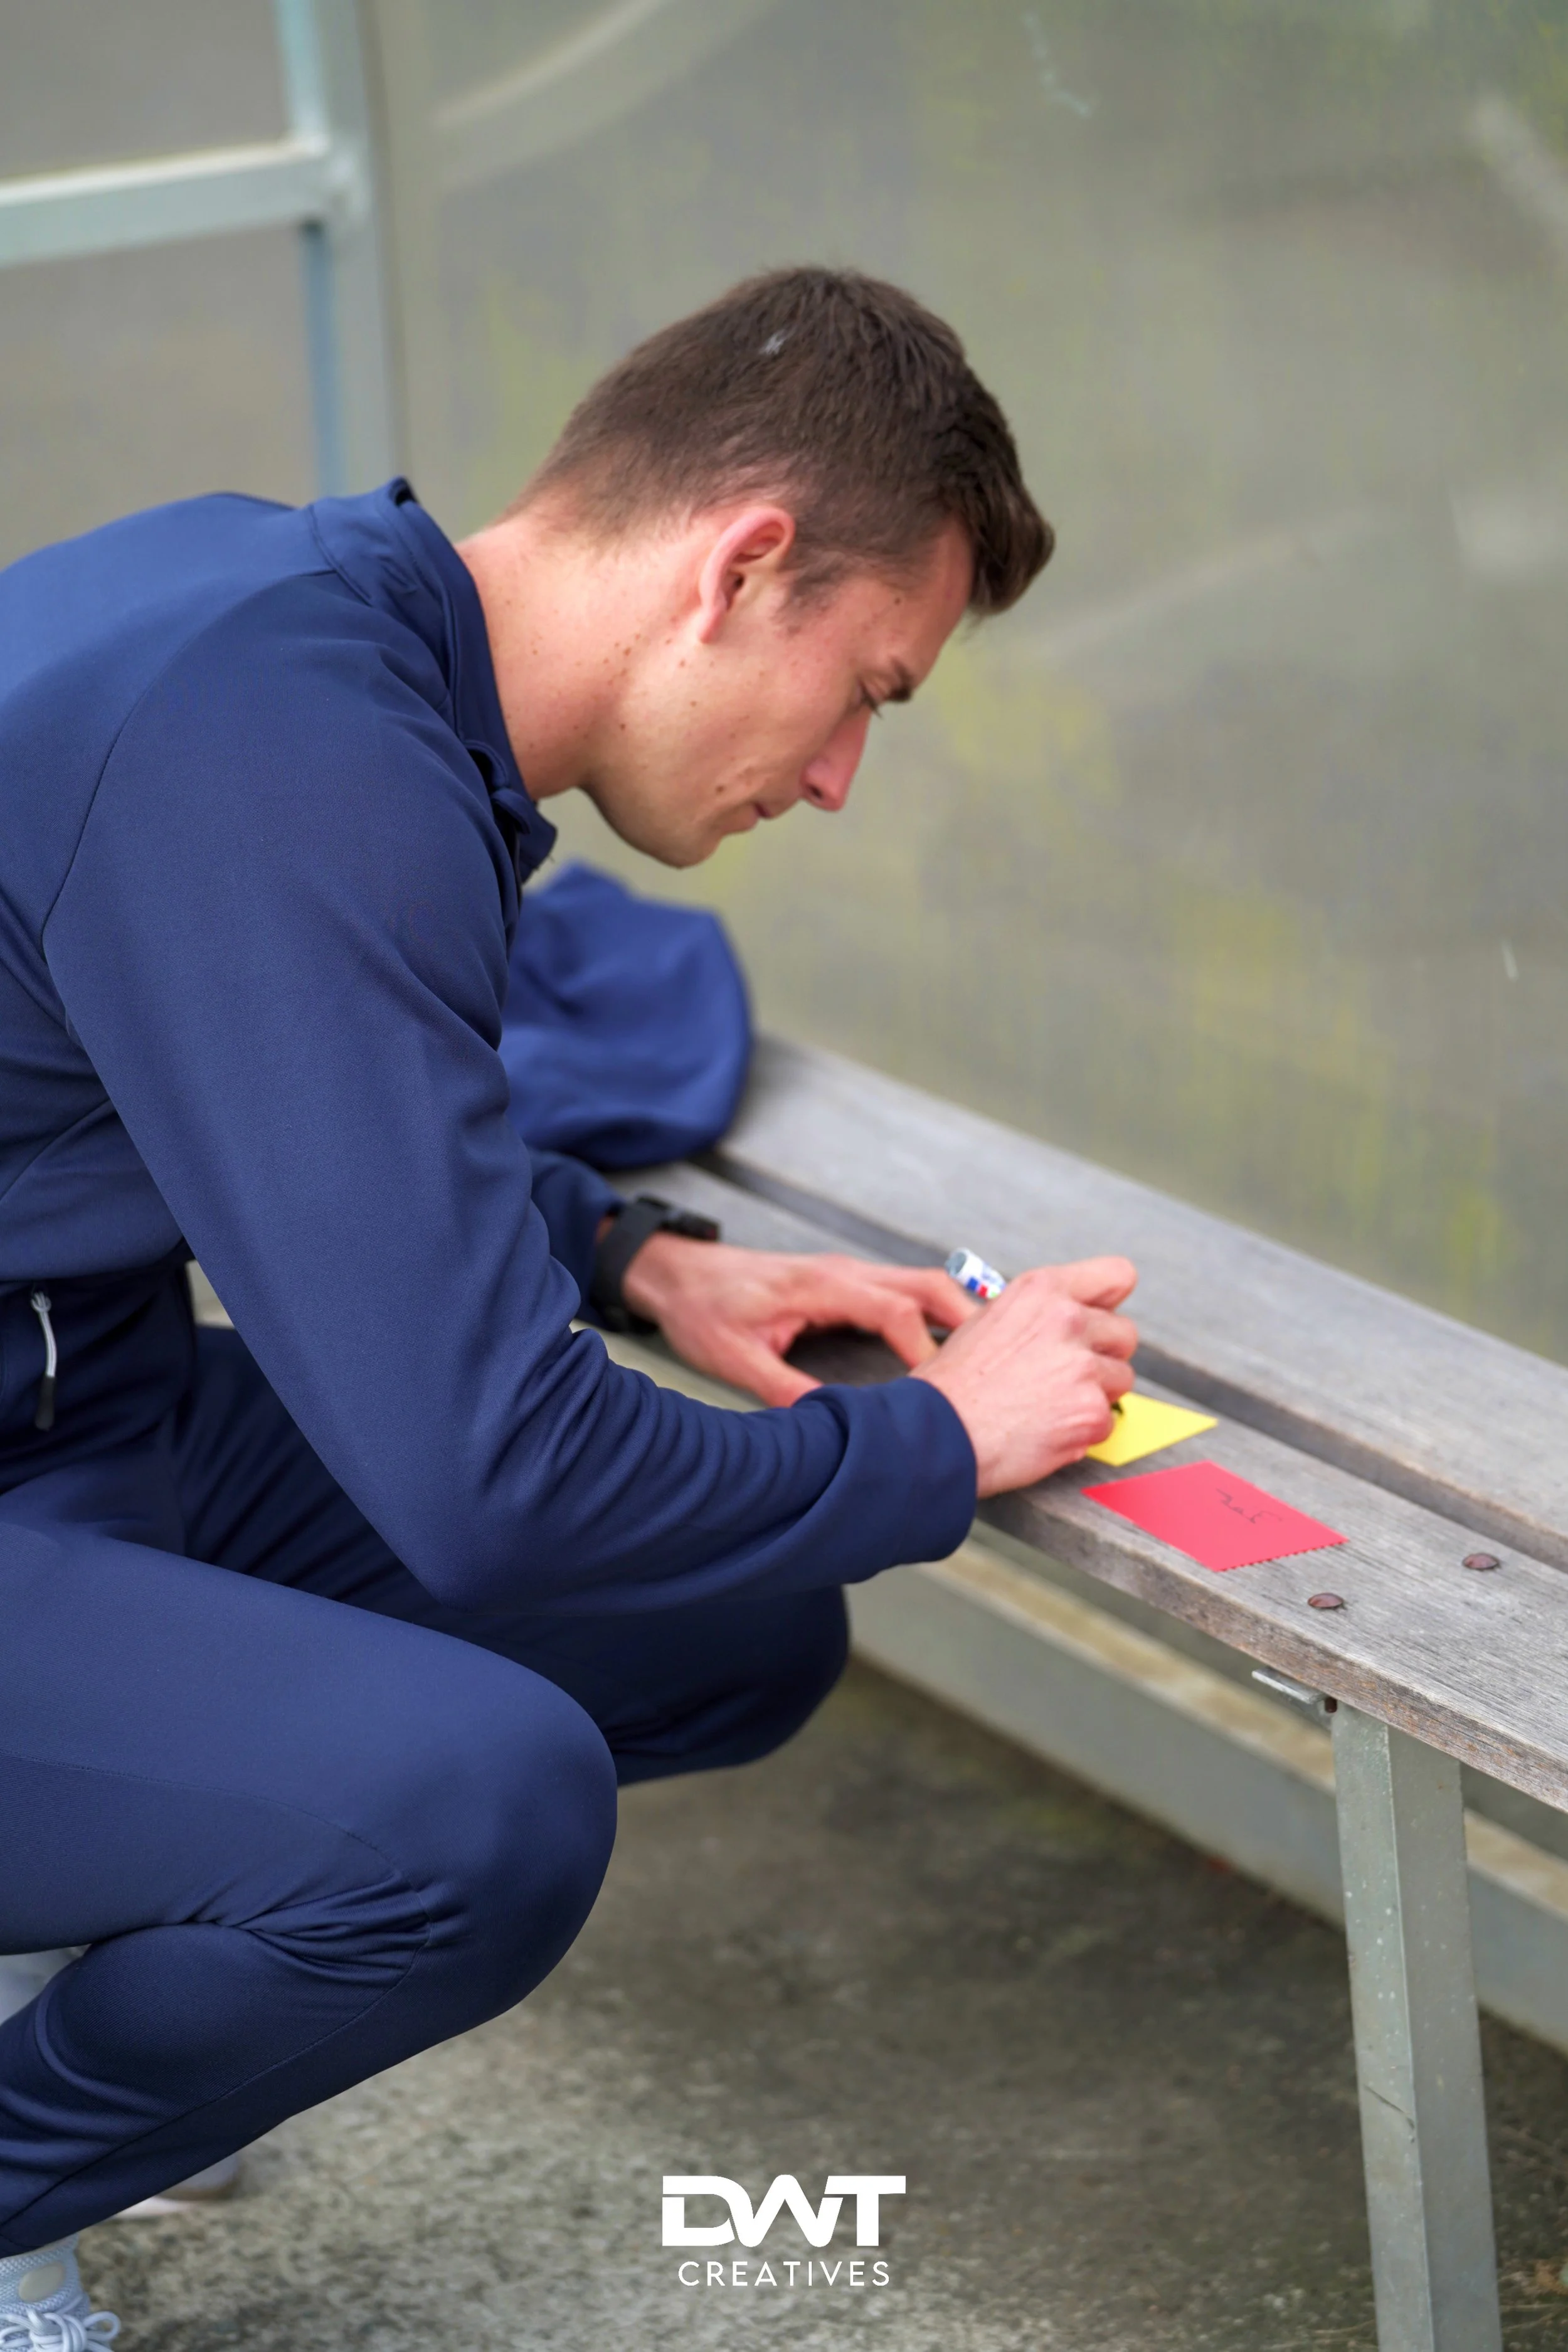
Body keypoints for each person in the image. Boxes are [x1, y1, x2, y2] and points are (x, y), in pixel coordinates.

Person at [0, 267, 1137, 2339]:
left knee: (731, 1614)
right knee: (481, 1809)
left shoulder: (310, 631)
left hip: (71, 1410)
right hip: (39, 1446)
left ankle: (130, 2019)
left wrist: (629, 1254)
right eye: (871, 690)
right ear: (742, 565)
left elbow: (283, 1087)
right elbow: (491, 1489)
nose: (836, 780)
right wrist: (941, 1440)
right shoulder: (292, 759)